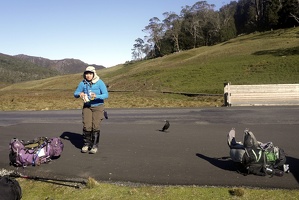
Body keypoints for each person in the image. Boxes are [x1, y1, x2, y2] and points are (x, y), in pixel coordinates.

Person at [74, 66, 108, 154]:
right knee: (86, 125)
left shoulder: (100, 82)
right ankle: (86, 144)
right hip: (87, 106)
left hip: (98, 106)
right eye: (86, 74)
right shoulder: (83, 83)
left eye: (90, 74)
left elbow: (106, 94)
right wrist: (80, 94)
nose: (88, 76)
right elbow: (75, 93)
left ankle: (94, 145)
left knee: (95, 126)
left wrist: (97, 96)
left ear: (94, 74)